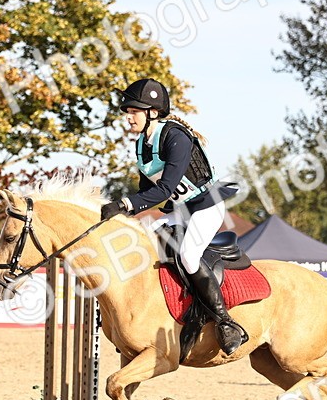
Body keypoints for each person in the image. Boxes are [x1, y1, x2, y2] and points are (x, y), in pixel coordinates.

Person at [99, 78, 245, 354]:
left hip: (205, 206)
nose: (127, 118)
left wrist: (124, 204)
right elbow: (146, 190)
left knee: (188, 255)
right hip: (180, 210)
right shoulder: (142, 143)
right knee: (144, 246)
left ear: (152, 112)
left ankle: (225, 322)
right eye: (127, 113)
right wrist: (122, 215)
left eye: (133, 112)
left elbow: (165, 188)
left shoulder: (176, 137)